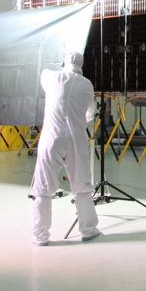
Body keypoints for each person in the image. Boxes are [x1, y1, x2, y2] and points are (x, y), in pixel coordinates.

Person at [31, 52, 100, 245]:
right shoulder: (87, 85)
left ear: (64, 63)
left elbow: (42, 72)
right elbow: (90, 113)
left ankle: (40, 236)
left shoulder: (51, 76)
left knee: (43, 187)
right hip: (76, 139)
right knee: (82, 185)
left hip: (51, 138)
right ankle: (88, 230)